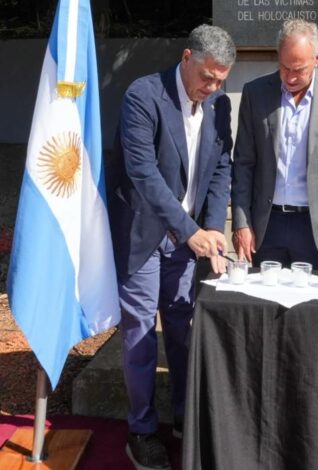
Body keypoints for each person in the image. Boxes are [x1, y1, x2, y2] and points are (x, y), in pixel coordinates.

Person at [108, 24, 235, 470]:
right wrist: (188, 229)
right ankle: (141, 431)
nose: (213, 87)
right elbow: (144, 174)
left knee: (182, 330)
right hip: (144, 235)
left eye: (221, 80)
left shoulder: (219, 106)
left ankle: (185, 418)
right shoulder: (143, 96)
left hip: (186, 243)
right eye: (207, 76)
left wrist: (213, 226)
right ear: (186, 57)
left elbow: (221, 167)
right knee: (141, 335)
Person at [231, 18, 318, 275]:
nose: (290, 77)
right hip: (266, 226)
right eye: (284, 67)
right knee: (264, 307)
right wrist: (241, 222)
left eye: (299, 69)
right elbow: (244, 163)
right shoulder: (255, 93)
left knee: (314, 312)